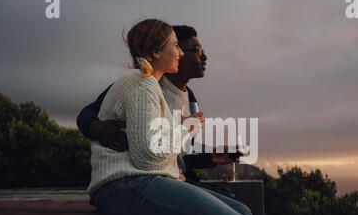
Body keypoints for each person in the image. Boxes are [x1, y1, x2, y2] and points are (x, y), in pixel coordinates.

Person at [86, 19, 256, 215]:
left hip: (135, 184)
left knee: (242, 212)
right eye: (175, 46)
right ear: (156, 51)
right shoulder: (142, 84)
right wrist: (184, 128)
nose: (179, 53)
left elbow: (164, 148)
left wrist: (194, 140)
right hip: (125, 188)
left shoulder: (149, 84)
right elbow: (146, 155)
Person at [77, 25, 238, 183]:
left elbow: (181, 154)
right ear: (164, 52)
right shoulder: (144, 84)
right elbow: (88, 112)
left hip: (177, 178)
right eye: (196, 51)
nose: (204, 57)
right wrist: (96, 128)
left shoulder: (190, 99)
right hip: (146, 179)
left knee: (239, 206)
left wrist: (212, 157)